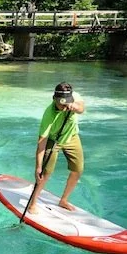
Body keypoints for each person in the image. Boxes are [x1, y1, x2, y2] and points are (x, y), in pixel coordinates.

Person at [29, 82, 85, 214]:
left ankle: (64, 200)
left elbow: (82, 108)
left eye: (67, 102)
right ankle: (33, 203)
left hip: (71, 136)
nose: (64, 106)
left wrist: (75, 107)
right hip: (53, 140)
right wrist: (38, 167)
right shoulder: (49, 114)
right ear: (54, 99)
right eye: (61, 103)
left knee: (78, 169)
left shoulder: (73, 96)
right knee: (44, 173)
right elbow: (42, 142)